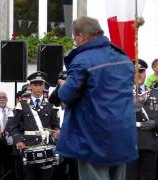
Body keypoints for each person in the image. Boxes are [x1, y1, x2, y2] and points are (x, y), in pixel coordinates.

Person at [56, 16, 137, 180]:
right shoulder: (123, 58)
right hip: (122, 136)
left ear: (81, 36)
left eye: (74, 39)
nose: (75, 42)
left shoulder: (82, 60)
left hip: (93, 138)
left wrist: (63, 84)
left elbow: (66, 96)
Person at [7, 71, 60, 180]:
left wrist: (56, 132)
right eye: (35, 84)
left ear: (44, 86)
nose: (38, 88)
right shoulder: (22, 105)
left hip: (47, 147)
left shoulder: (51, 105)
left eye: (40, 84)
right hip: (28, 148)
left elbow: (55, 125)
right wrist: (18, 140)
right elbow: (13, 126)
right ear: (30, 86)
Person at [126, 59, 158, 180]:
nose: (138, 74)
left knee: (148, 176)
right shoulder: (122, 94)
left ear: (145, 72)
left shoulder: (155, 93)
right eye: (134, 72)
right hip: (129, 141)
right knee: (129, 176)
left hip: (150, 142)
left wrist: (155, 122)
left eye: (141, 71)